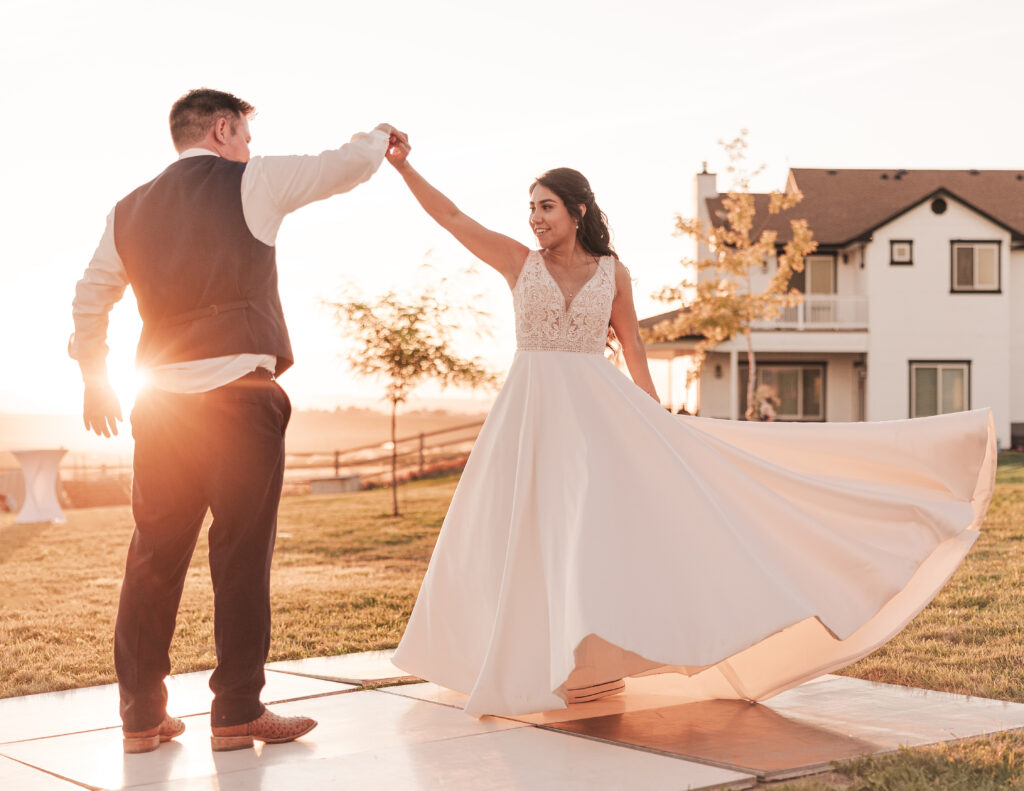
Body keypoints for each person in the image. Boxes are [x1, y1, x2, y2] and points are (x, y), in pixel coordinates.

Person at [383, 139, 997, 717]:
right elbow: (455, 218)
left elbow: (634, 350)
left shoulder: (612, 275)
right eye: (531, 209)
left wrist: (655, 418)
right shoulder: (519, 262)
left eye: (546, 207)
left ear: (578, 211)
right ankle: (527, 660)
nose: (535, 219)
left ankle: (592, 665)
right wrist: (405, 168)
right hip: (531, 412)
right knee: (527, 531)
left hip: (598, 411)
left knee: (596, 534)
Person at [69, 88, 404, 752]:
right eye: (245, 134)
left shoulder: (126, 211)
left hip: (160, 407)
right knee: (241, 555)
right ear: (222, 129)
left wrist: (94, 378)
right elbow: (339, 166)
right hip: (237, 402)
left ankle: (140, 718)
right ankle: (238, 712)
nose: (249, 146)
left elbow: (89, 299)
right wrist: (379, 136)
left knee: (153, 556)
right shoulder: (252, 180)